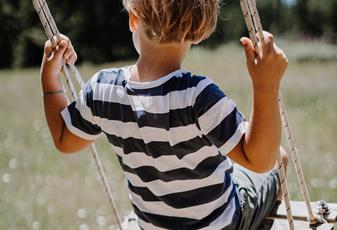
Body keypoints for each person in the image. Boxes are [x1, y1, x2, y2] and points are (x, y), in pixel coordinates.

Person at [39, 0, 288, 229]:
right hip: (221, 224)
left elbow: (64, 139)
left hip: (152, 226)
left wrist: (49, 76)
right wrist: (266, 85)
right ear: (198, 27)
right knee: (279, 158)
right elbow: (259, 160)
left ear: (133, 19)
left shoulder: (102, 90)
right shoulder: (199, 97)